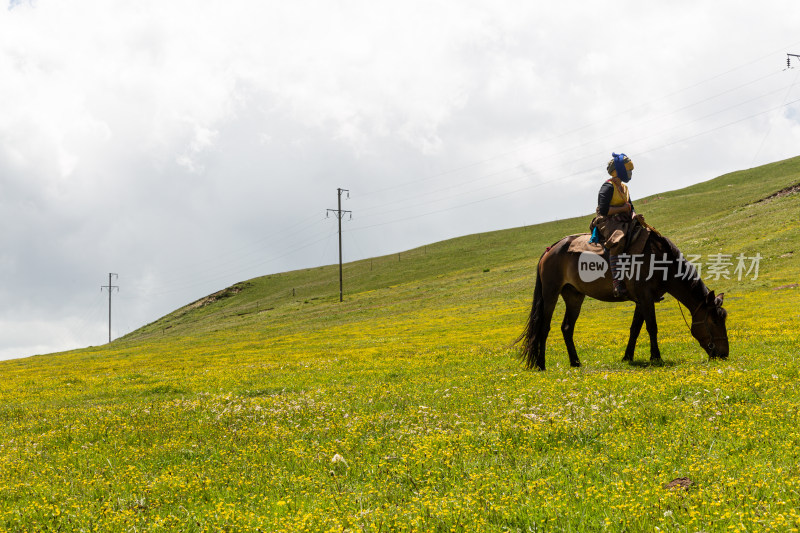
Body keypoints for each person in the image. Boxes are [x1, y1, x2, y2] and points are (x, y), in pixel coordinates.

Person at [592, 152, 636, 298]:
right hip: (607, 221)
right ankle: (617, 282)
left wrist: (635, 216)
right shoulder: (608, 187)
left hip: (624, 219)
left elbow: (631, 207)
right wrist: (623, 209)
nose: (630, 173)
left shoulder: (624, 188)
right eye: (628, 170)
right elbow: (603, 210)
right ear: (620, 171)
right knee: (618, 241)